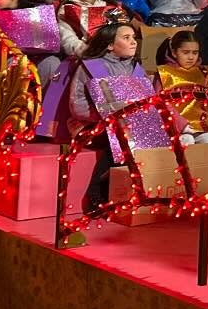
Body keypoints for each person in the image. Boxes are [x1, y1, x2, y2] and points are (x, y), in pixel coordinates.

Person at [67, 21, 157, 225]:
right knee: (118, 135)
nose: (133, 42)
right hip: (91, 125)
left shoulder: (136, 68)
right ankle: (95, 196)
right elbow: (76, 105)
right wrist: (105, 116)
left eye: (134, 38)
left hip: (127, 126)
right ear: (109, 44)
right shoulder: (90, 67)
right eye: (126, 38)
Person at [154, 30, 208, 145]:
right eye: (186, 52)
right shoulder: (165, 73)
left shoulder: (204, 73)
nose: (191, 57)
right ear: (174, 52)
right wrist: (182, 125)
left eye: (195, 53)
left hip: (201, 127)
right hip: (173, 128)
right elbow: (160, 103)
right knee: (187, 141)